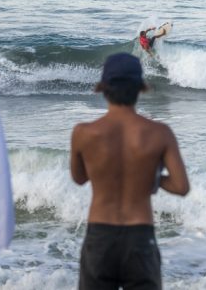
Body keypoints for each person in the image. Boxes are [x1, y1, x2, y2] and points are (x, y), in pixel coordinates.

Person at [71, 52, 190, 290]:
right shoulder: (160, 133)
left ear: (103, 88)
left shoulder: (83, 133)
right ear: (140, 88)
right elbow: (181, 186)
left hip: (100, 235)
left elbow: (79, 177)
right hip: (139, 236)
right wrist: (150, 177)